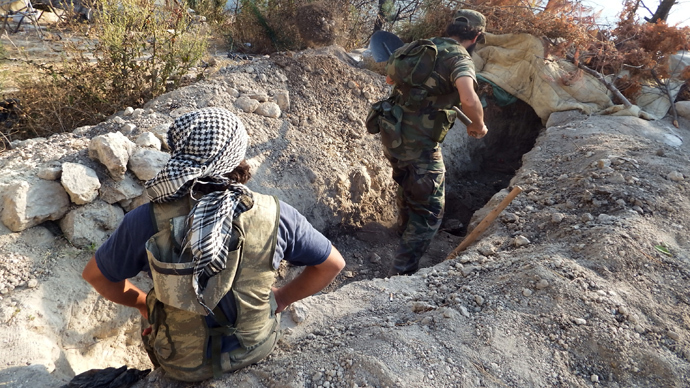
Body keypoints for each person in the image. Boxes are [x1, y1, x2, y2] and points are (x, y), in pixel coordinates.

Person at [82, 107, 345, 382]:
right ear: (236, 157)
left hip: (181, 366)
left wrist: (144, 306)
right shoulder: (276, 215)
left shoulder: (145, 220)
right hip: (254, 349)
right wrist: (282, 298)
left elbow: (96, 276)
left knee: (154, 305)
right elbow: (332, 264)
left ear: (180, 154)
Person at [374, 9, 489, 276]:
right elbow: (469, 98)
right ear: (477, 35)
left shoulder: (417, 47)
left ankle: (403, 230)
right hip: (422, 146)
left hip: (393, 134)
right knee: (430, 212)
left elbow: (391, 78)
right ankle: (402, 272)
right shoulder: (459, 57)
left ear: (449, 28)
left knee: (407, 182)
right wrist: (478, 124)